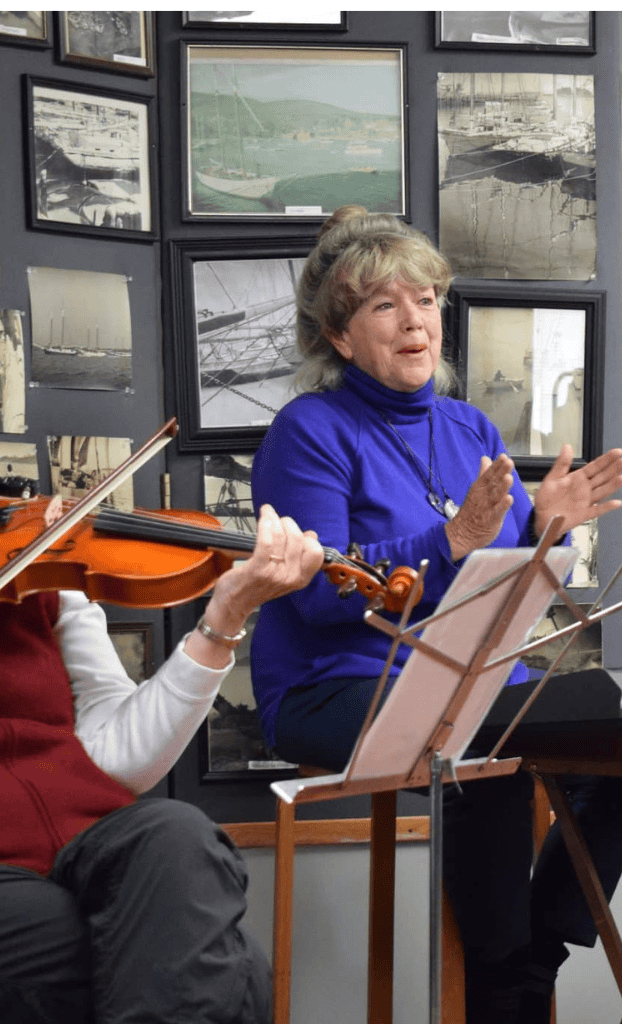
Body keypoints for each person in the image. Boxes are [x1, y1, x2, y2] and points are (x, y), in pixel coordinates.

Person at [0, 301, 325, 1024]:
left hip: (75, 845)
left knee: (177, 832)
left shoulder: (33, 556)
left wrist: (224, 617)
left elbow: (116, 753)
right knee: (229, 972)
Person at [250, 205, 622, 1024]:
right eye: (385, 305)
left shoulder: (470, 426)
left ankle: (540, 945)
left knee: (599, 716)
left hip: (469, 672)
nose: (415, 320)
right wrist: (454, 535)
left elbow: (494, 584)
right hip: (331, 685)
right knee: (476, 730)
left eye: (425, 298)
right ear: (341, 337)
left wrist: (539, 530)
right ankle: (503, 983)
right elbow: (318, 595)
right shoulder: (306, 431)